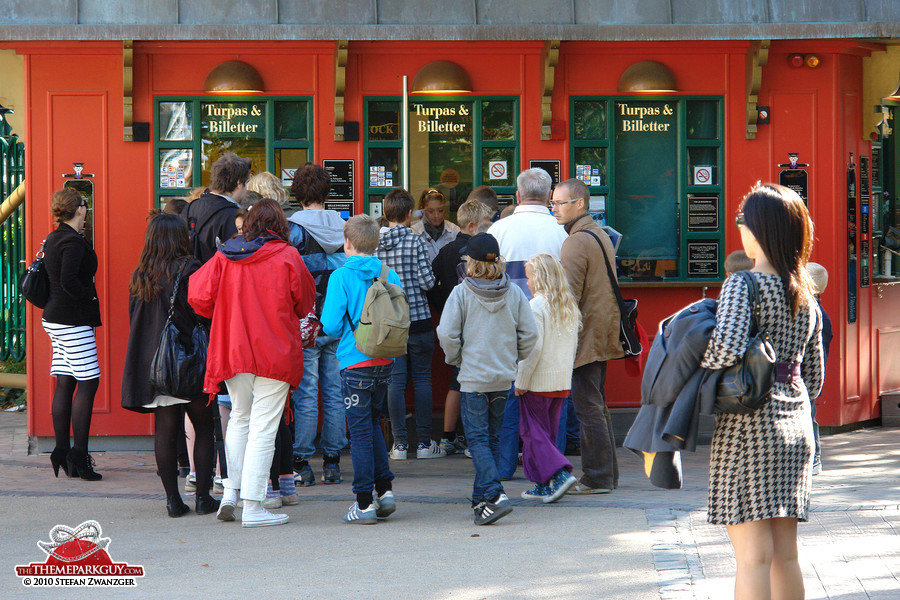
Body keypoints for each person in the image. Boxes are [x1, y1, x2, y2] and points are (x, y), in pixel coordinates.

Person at [702, 183, 823, 600]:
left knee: (753, 558)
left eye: (742, 221)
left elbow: (725, 350)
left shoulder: (744, 284)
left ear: (758, 229)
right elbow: (816, 376)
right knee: (785, 556)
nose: (739, 229)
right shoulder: (805, 290)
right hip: (796, 425)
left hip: (749, 428)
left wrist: (691, 362)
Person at [189, 199, 316, 528]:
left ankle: (232, 492)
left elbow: (198, 296)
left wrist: (225, 309)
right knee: (264, 428)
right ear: (280, 225)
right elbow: (304, 301)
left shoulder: (225, 255)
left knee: (240, 420)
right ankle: (255, 506)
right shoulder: (287, 255)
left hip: (233, 349)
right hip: (274, 352)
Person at [121, 212, 219, 517]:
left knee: (165, 429)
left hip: (156, 367)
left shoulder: (141, 274)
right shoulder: (191, 269)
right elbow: (203, 313)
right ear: (180, 238)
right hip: (188, 361)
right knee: (203, 428)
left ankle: (172, 502)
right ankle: (203, 497)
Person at [436, 233, 538, 525]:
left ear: (471, 261)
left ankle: (494, 494)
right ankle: (481, 501)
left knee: (478, 439)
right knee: (491, 438)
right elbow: (530, 334)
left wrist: (455, 359)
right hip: (502, 377)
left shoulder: (462, 293)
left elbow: (447, 334)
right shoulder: (514, 292)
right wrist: (513, 358)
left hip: (473, 377)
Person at [321, 214, 403, 524]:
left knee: (359, 433)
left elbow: (329, 324)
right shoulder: (388, 273)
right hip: (385, 359)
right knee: (373, 425)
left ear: (348, 243)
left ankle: (364, 502)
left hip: (355, 361)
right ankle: (385, 490)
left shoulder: (340, 276)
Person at [487, 167, 567, 479]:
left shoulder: (498, 232)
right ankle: (553, 467)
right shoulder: (561, 232)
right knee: (553, 398)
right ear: (549, 196)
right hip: (554, 324)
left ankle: (505, 466)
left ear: (518, 195)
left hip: (508, 326)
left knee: (509, 398)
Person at [550, 178, 623, 494]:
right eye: (553, 202)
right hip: (600, 330)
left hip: (584, 335)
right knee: (597, 404)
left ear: (579, 203)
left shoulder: (577, 241)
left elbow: (567, 296)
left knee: (587, 406)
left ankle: (597, 477)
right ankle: (607, 475)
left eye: (559, 203)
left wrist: (554, 335)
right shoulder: (598, 233)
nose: (554, 208)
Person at [287, 162, 349, 485]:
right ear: (328, 192)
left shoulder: (292, 230)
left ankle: (301, 461)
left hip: (305, 320)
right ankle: (333, 461)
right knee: (336, 390)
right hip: (337, 319)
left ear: (297, 193)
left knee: (307, 392)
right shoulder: (344, 227)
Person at [376, 188, 444, 460]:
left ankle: (400, 445)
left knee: (395, 381)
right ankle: (426, 443)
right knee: (424, 379)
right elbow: (427, 282)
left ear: (385, 213)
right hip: (418, 320)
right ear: (408, 214)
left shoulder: (375, 244)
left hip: (390, 322)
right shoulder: (415, 241)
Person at [42, 188, 102, 481]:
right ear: (80, 209)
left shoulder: (53, 238)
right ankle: (79, 456)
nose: (86, 208)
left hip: (54, 318)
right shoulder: (73, 242)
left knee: (65, 381)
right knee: (89, 382)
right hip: (72, 321)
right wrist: (89, 300)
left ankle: (62, 451)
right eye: (84, 204)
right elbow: (68, 280)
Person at [428, 198, 494, 455]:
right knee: (481, 384)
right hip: (481, 324)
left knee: (457, 382)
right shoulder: (484, 252)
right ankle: (475, 437)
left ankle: (447, 436)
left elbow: (431, 283)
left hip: (454, 322)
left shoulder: (445, 251)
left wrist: (443, 306)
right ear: (472, 225)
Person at [514, 253, 580, 503]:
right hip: (561, 382)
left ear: (540, 278)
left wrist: (521, 380)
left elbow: (532, 349)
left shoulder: (535, 307)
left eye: (529, 276)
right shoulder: (568, 305)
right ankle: (544, 484)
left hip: (537, 382)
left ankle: (560, 475)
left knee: (533, 434)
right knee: (547, 435)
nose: (527, 282)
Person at [182, 152, 250, 263]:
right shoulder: (234, 215)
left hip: (191, 278)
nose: (246, 190)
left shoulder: (190, 207)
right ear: (239, 183)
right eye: (245, 183)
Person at [807, 262, 833, 475]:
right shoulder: (818, 312)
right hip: (810, 375)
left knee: (809, 414)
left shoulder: (815, 314)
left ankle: (814, 456)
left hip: (807, 376)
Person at [411, 187, 460, 263]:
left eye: (440, 210)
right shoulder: (414, 232)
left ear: (445, 209)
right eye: (431, 211)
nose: (436, 215)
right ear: (423, 211)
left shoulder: (454, 231)